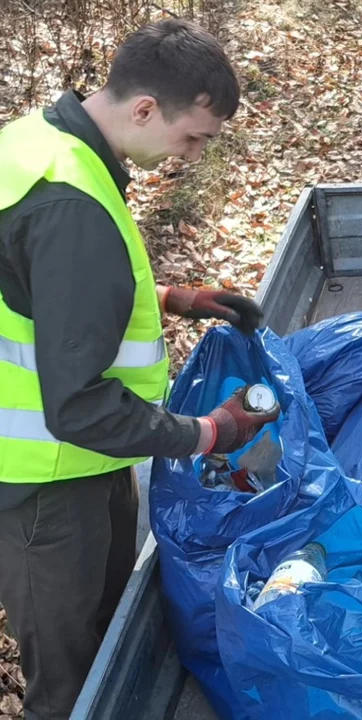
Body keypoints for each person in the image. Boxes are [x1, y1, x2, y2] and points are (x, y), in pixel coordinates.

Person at [0, 19, 278, 720]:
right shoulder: (70, 202)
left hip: (77, 459)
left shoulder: (41, 145)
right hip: (44, 479)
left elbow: (43, 295)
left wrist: (172, 299)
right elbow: (78, 406)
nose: (189, 155)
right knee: (70, 686)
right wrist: (208, 433)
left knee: (107, 636)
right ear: (145, 108)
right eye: (193, 138)